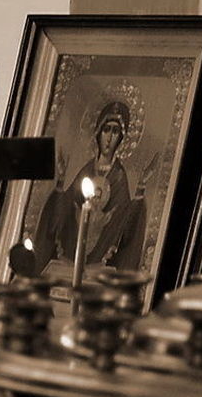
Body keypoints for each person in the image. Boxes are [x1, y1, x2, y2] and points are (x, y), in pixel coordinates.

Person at [32, 100, 148, 276]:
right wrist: (61, 182)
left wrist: (139, 191)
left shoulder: (119, 176)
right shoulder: (86, 170)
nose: (109, 137)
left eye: (115, 132)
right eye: (106, 129)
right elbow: (64, 209)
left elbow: (124, 218)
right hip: (70, 257)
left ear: (121, 138)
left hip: (98, 264)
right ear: (98, 132)